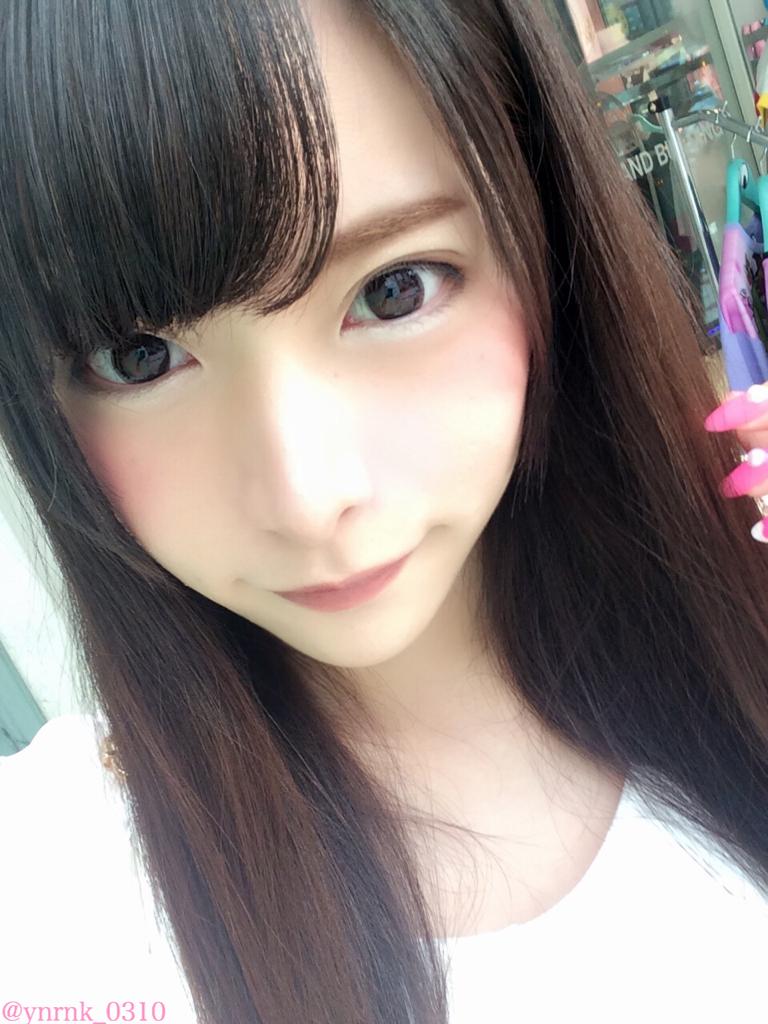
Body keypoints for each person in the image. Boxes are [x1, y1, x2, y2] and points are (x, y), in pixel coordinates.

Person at [1, 0, 768, 1021]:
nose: (308, 497)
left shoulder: (739, 635)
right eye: (140, 358)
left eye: (395, 289)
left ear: (546, 243)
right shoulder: (55, 889)